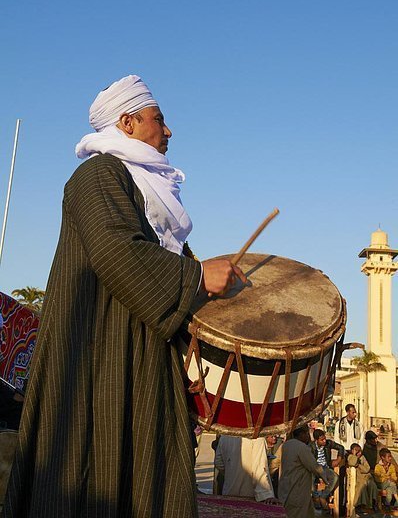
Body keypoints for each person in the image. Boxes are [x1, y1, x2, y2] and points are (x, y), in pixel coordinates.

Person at [4, 75, 247, 518]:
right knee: (88, 470)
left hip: (144, 354)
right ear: (128, 122)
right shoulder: (97, 176)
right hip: (96, 357)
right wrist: (195, 276)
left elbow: (163, 269)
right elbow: (118, 252)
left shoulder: (150, 196)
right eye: (159, 119)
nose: (168, 131)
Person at [278, 424, 329, 518]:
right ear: (302, 434)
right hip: (298, 489)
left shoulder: (286, 445)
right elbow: (314, 467)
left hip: (286, 487)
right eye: (307, 433)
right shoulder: (302, 447)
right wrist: (326, 479)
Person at [214, 435, 279, 504]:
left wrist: (232, 474)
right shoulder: (258, 438)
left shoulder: (225, 437)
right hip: (251, 495)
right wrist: (267, 495)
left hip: (229, 491)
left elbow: (218, 462)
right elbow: (259, 467)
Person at [309, 428, 344, 511]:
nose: (324, 441)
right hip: (314, 468)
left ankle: (323, 496)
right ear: (316, 440)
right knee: (310, 479)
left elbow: (341, 448)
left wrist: (338, 460)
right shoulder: (310, 447)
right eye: (322, 440)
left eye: (324, 438)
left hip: (324, 468)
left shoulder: (328, 443)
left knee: (335, 478)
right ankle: (316, 498)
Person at [346, 443, 378, 515]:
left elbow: (367, 469)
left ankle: (374, 503)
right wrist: (354, 455)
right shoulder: (351, 457)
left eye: (360, 451)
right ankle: (359, 506)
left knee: (372, 485)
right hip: (358, 479)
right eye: (357, 451)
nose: (360, 453)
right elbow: (352, 462)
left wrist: (359, 465)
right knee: (362, 487)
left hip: (366, 477)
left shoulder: (363, 458)